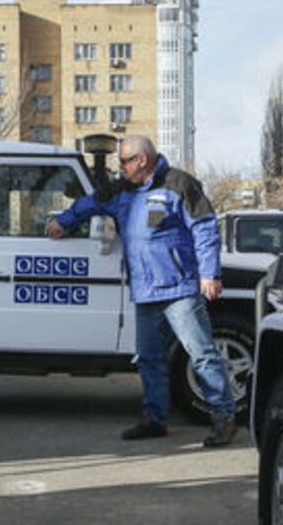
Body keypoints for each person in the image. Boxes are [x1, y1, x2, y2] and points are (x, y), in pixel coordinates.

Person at [47, 135, 237, 447]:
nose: (119, 168)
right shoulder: (122, 190)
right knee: (149, 358)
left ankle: (223, 417)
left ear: (142, 161)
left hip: (180, 289)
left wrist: (209, 274)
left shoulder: (178, 184)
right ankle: (155, 420)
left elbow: (205, 228)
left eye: (124, 161)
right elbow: (90, 202)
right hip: (145, 291)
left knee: (201, 355)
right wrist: (64, 222)